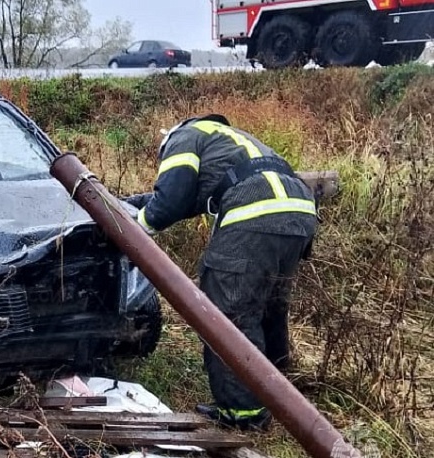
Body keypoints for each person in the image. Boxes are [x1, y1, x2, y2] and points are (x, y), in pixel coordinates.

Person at [124, 114, 318, 431]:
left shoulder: (181, 138)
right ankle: (279, 393)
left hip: (254, 210)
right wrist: (129, 203)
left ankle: (243, 413)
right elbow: (186, 199)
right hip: (298, 211)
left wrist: (131, 233)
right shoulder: (226, 138)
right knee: (269, 307)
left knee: (229, 313)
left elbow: (170, 202)